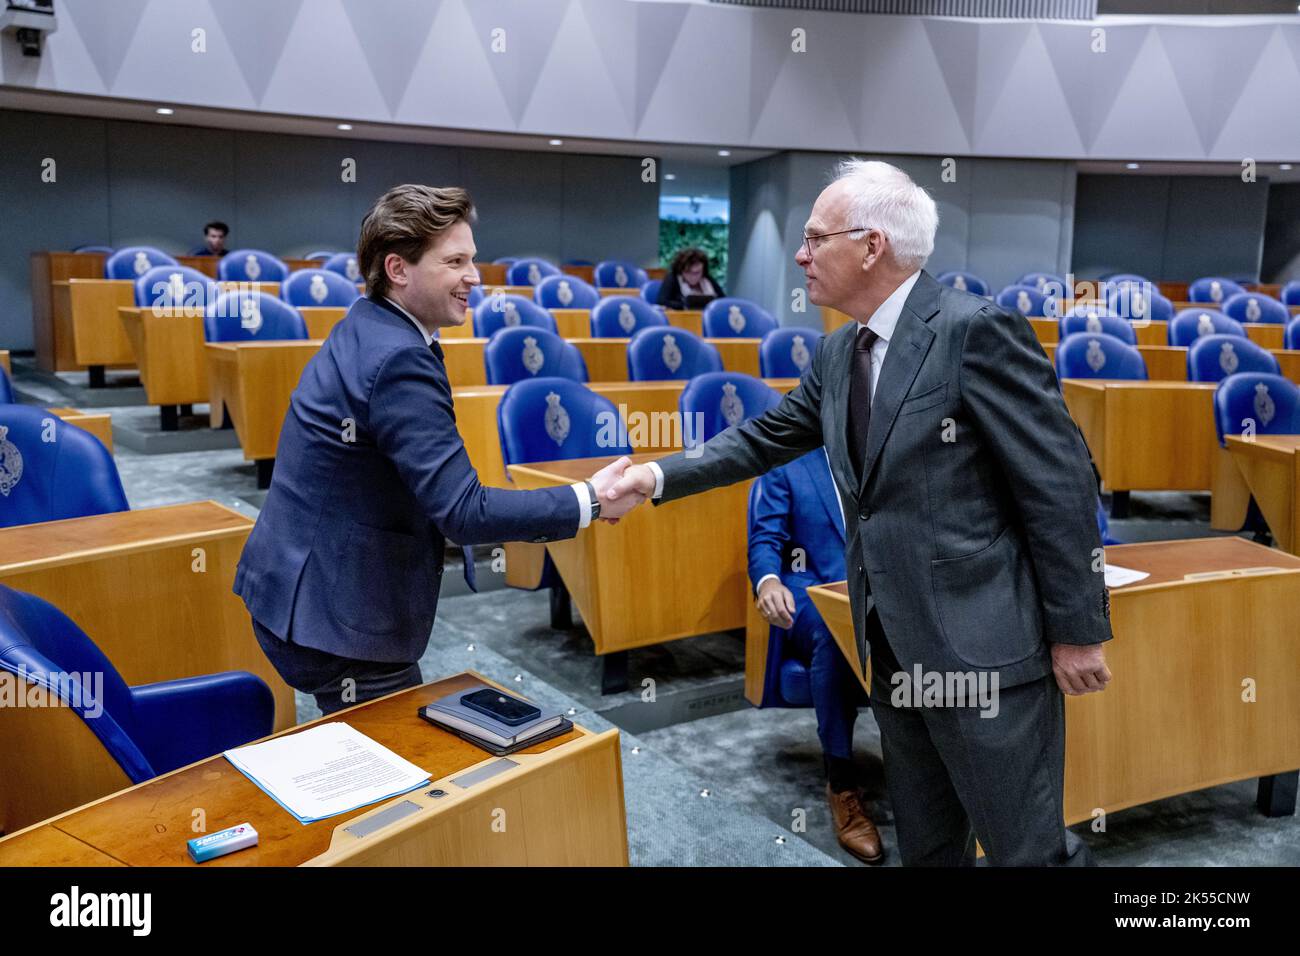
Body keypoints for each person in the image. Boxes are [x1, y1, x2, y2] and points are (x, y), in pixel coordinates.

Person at [608, 159, 1112, 866]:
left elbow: (1058, 486)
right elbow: (762, 437)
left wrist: (1077, 631)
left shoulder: (975, 331)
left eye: (816, 237)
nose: (801, 253)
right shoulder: (841, 349)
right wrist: (654, 475)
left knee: (1023, 851)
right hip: (892, 646)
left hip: (988, 652)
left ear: (872, 245)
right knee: (928, 846)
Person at [234, 184, 641, 715]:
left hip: (298, 588)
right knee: (395, 782)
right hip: (334, 618)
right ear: (398, 269)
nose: (475, 276)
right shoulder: (397, 357)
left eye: (473, 260)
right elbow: (464, 511)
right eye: (455, 261)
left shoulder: (371, 322)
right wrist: (589, 500)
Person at [749, 449, 879, 864]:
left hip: (884, 584)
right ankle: (841, 779)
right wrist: (768, 581)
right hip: (811, 589)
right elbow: (766, 538)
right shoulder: (788, 460)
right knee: (835, 626)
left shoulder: (883, 445)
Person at [656, 246, 725, 310]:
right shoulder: (672, 278)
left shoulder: (707, 279)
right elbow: (662, 302)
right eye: (688, 272)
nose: (693, 277)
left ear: (703, 270)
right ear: (681, 270)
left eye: (697, 273)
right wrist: (686, 304)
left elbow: (723, 300)